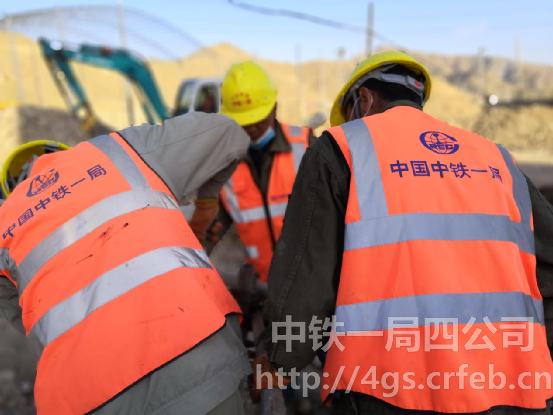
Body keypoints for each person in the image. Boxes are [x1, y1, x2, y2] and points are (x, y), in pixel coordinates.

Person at [258, 51, 553, 414]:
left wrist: (278, 362)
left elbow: (306, 285)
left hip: (391, 390)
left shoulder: (341, 149)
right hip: (515, 386)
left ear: (363, 100)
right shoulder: (496, 158)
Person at [0, 112, 251, 415]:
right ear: (66, 154)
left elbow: (28, 321)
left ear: (10, 194)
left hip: (83, 399)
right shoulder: (118, 153)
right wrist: (205, 208)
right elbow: (229, 132)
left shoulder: (4, 224)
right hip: (198, 357)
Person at [208, 61, 316, 283]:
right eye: (242, 123)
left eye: (257, 120)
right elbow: (213, 229)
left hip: (310, 283)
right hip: (262, 286)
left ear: (274, 108)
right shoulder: (224, 163)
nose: (251, 128)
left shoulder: (307, 147)